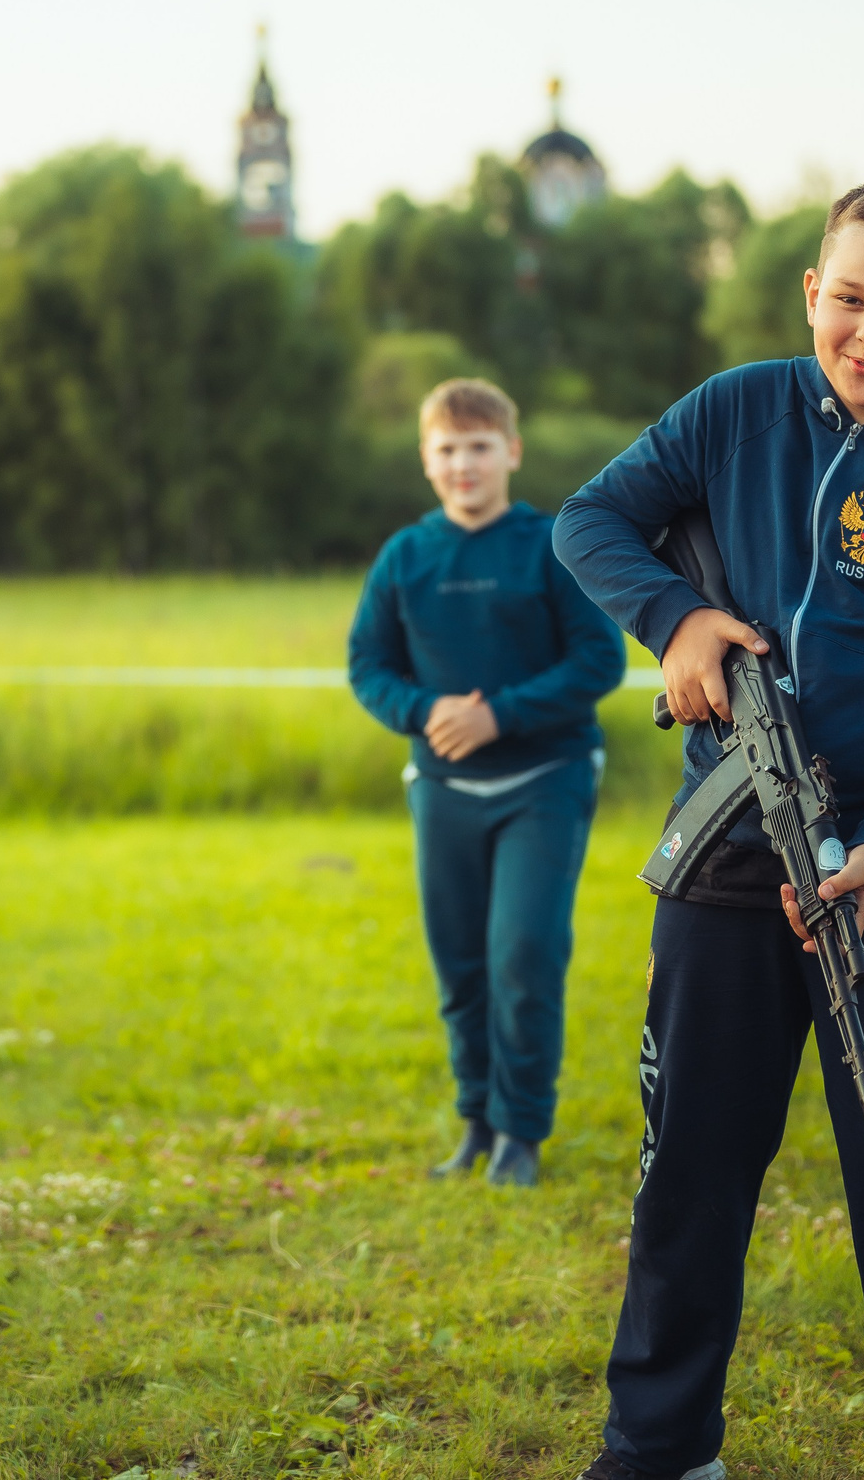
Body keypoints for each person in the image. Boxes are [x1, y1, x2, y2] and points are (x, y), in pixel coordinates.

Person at [554, 177, 864, 1480]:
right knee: (689, 1169)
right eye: (849, 296)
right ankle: (658, 1447)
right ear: (809, 292)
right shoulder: (734, 409)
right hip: (724, 862)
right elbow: (590, 519)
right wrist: (680, 619)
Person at [348, 379, 627, 1187]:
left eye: (478, 446)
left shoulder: (552, 545)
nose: (462, 463)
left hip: (545, 780)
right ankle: (474, 1121)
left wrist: (497, 716)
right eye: (446, 449)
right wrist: (426, 709)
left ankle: (520, 1135)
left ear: (510, 451)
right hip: (441, 789)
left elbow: (598, 661)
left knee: (524, 953)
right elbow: (369, 665)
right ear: (426, 461)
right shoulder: (405, 555)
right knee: (461, 964)